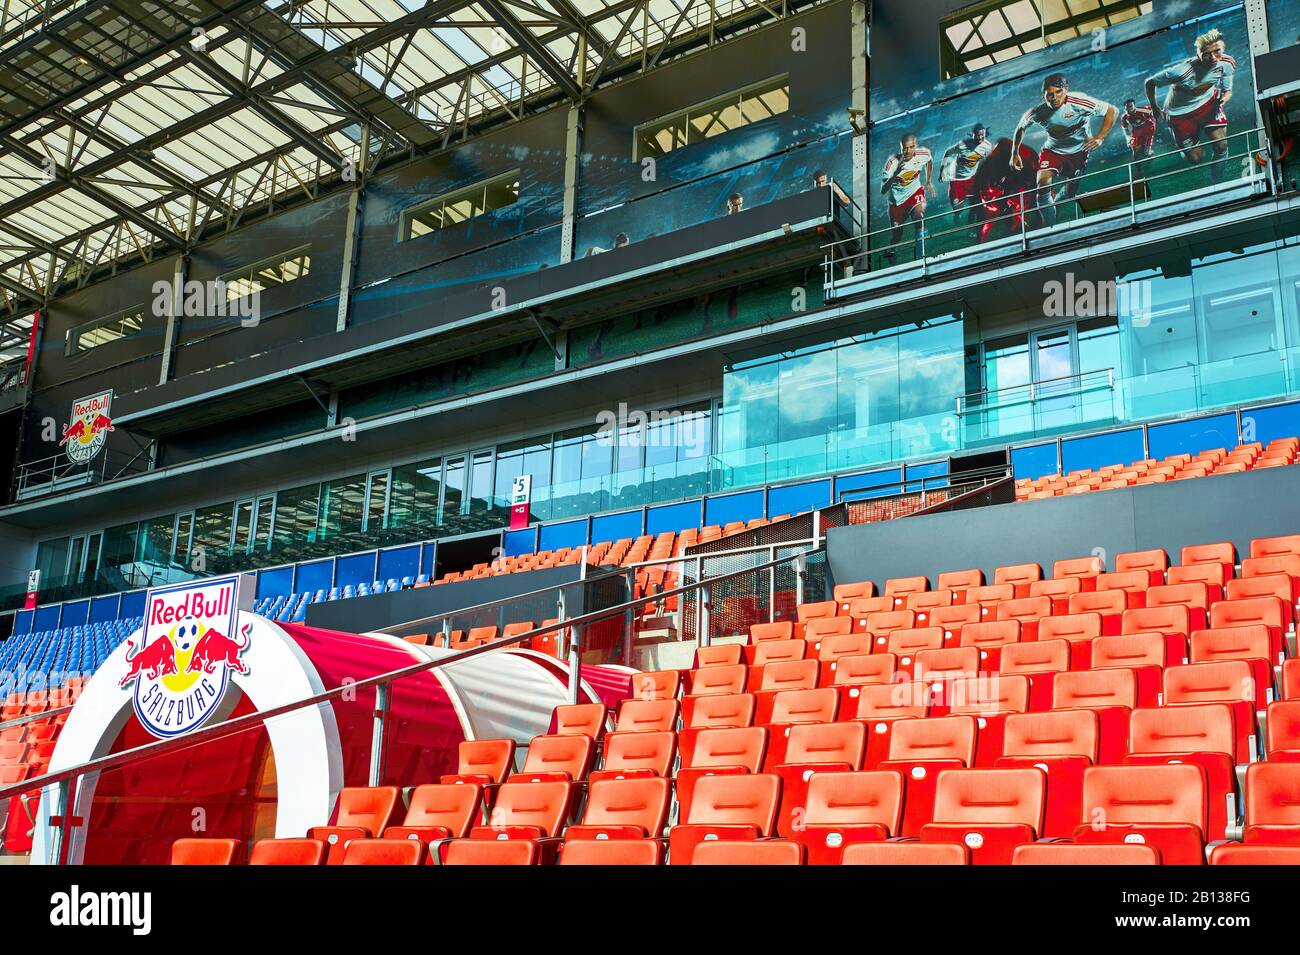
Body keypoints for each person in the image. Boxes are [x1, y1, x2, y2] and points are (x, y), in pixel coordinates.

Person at [1012, 72, 1117, 226]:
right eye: (1049, 94)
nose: (1054, 97)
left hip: (1079, 152)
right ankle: (1050, 227)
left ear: (1066, 90)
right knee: (1042, 184)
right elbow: (1020, 128)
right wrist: (1014, 153)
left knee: (1069, 193)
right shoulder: (1036, 112)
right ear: (1043, 96)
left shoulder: (1079, 102)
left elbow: (1111, 111)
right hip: (1052, 151)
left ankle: (1055, 203)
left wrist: (1100, 137)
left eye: (1058, 92)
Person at [1145, 27, 1235, 182]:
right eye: (1207, 54)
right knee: (1195, 159)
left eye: (1217, 51)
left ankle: (1217, 182)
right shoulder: (1181, 71)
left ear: (1223, 49)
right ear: (1199, 54)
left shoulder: (1227, 63)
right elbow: (1149, 83)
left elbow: (1228, 91)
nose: (1213, 58)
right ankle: (1185, 146)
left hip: (1208, 105)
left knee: (1221, 147)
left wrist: (1223, 99)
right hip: (1179, 115)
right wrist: (1154, 106)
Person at [971, 137, 1040, 242]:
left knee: (1034, 197)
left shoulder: (1026, 165)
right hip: (1005, 178)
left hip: (1020, 173)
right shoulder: (987, 176)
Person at [879, 133, 934, 259]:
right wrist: (895, 174)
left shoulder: (923, 154)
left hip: (914, 192)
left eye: (911, 147)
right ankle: (892, 249)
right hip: (897, 202)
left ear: (916, 146)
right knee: (897, 235)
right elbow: (883, 190)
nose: (908, 151)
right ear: (900, 147)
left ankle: (922, 256)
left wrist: (928, 181)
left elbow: (929, 161)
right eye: (905, 148)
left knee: (919, 217)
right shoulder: (892, 163)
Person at [940, 123, 994, 220]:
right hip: (956, 180)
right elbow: (948, 152)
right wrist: (942, 171)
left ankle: (972, 224)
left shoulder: (987, 146)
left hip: (972, 178)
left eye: (983, 135)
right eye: (978, 135)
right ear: (973, 134)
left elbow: (985, 160)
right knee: (958, 209)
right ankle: (957, 216)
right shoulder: (963, 145)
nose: (981, 137)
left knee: (977, 205)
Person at [1120, 99, 1157, 177]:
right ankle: (1139, 171)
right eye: (1127, 107)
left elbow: (1153, 114)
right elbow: (1125, 129)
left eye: (1130, 106)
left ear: (1134, 106)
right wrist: (1128, 139)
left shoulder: (1144, 110)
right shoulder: (1124, 117)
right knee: (1134, 150)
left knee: (1146, 152)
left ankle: (1150, 153)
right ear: (1125, 108)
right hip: (1136, 132)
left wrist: (1153, 125)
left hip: (1148, 130)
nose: (1128, 108)